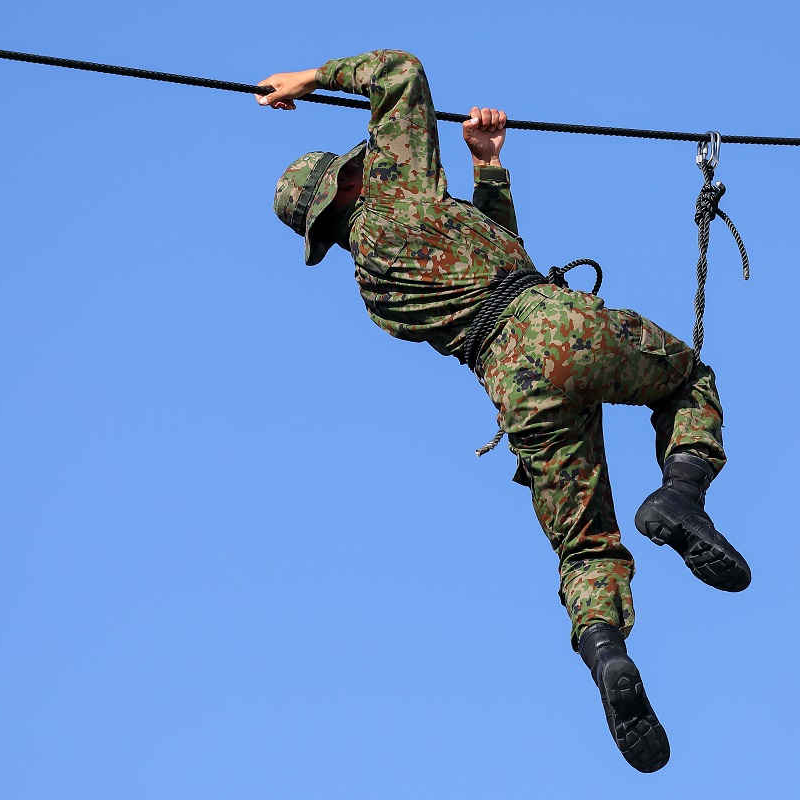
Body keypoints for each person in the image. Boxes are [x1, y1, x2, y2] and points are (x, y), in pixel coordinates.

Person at [257, 50, 751, 773]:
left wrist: (488, 169)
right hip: (557, 324)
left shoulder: (374, 289)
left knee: (584, 544)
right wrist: (308, 78)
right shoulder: (397, 197)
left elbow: (497, 259)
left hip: (514, 387)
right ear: (350, 183)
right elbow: (398, 72)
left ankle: (607, 652)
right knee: (687, 381)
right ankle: (681, 496)